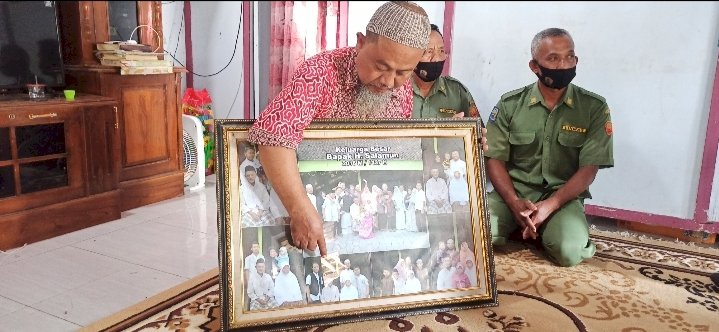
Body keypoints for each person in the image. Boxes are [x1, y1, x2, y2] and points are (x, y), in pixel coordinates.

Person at [247, 2, 490, 257]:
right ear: (360, 43)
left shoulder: (402, 90)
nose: (388, 81)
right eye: (381, 67)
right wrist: (300, 209)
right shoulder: (319, 74)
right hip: (303, 198)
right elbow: (273, 137)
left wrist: (456, 139)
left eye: (402, 72)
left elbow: (396, 150)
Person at [485, 28, 613, 267]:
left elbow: (589, 168)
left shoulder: (593, 107)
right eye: (553, 58)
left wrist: (551, 205)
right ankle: (525, 225)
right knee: (475, 235)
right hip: (512, 194)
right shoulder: (510, 104)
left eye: (569, 57)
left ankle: (546, 227)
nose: (563, 64)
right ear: (534, 66)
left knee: (568, 251)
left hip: (561, 198)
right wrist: (513, 202)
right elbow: (495, 159)